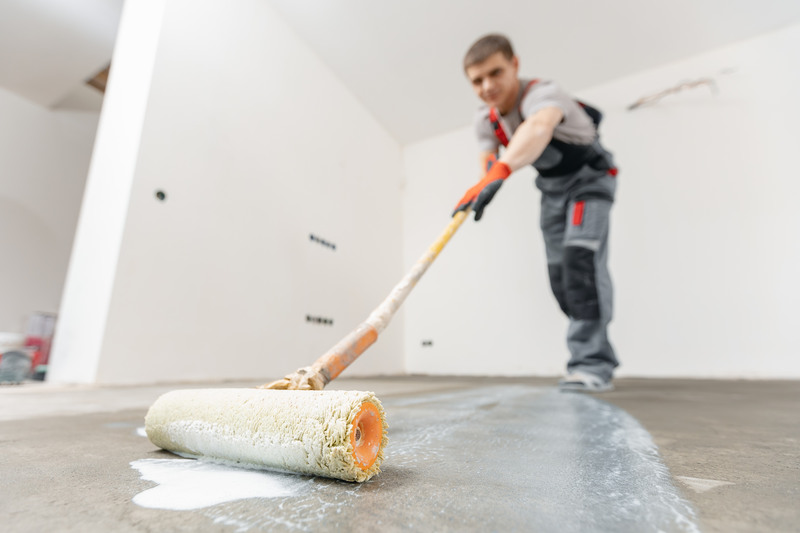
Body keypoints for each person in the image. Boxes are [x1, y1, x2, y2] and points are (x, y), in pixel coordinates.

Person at [454, 34, 619, 392]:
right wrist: (484, 186)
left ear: (514, 65)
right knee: (561, 278)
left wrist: (500, 173)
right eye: (477, 81)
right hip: (552, 192)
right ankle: (592, 345)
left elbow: (538, 128)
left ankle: (592, 364)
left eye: (495, 73)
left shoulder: (544, 93)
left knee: (581, 263)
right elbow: (490, 160)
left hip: (589, 183)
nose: (487, 86)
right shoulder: (485, 119)